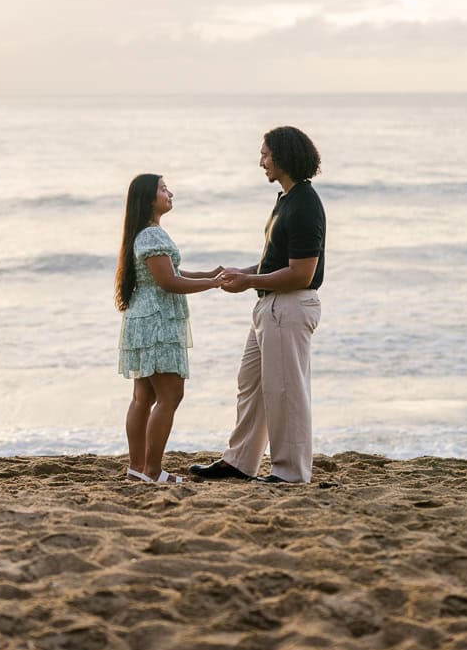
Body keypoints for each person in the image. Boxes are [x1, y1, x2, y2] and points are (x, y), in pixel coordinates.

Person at [190, 126, 326, 484]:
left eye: (265, 154)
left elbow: (301, 273)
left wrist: (250, 281)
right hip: (271, 306)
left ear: (282, 156)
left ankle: (290, 472)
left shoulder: (306, 205)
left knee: (286, 392)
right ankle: (239, 462)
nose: (261, 161)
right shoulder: (286, 200)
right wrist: (244, 272)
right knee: (251, 383)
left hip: (290, 306)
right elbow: (277, 262)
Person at [115, 173, 224, 484]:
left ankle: (137, 469)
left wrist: (209, 274)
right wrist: (213, 284)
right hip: (157, 321)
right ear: (150, 198)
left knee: (143, 397)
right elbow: (169, 282)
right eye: (164, 189)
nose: (170, 193)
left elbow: (170, 272)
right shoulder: (152, 236)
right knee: (170, 394)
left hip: (145, 318)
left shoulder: (146, 234)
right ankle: (151, 470)